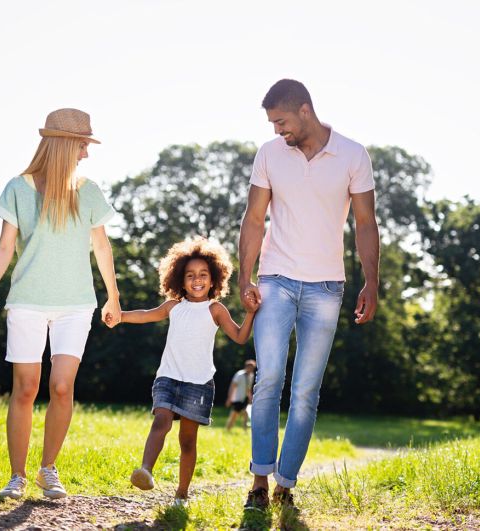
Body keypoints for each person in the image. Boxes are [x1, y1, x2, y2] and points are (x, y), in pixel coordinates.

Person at [238, 80, 380, 511]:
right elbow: (254, 216)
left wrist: (371, 281)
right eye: (272, 124)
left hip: (326, 287)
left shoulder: (353, 155)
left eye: (281, 121)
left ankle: (286, 482)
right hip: (275, 280)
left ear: (304, 110)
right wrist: (246, 277)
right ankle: (260, 481)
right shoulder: (269, 154)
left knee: (305, 390)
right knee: (269, 380)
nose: (277, 130)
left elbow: (365, 223)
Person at [0, 108, 122, 500]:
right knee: (25, 389)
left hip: (76, 304)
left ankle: (48, 469)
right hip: (27, 301)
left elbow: (101, 246)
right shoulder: (18, 189)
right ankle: (17, 476)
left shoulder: (88, 191)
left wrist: (113, 296)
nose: (86, 153)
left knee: (61, 387)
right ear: (64, 145)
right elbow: (5, 246)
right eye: (83, 145)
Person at [117, 237, 259, 505]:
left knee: (187, 441)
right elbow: (147, 314)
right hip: (168, 377)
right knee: (161, 421)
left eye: (203, 275)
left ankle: (182, 492)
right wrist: (120, 315)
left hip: (199, 384)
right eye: (190, 275)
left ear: (214, 279)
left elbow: (240, 337)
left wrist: (250, 313)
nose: (197, 280)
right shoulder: (173, 306)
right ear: (180, 280)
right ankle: (145, 470)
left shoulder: (215, 309)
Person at [226, 359, 256, 431]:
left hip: (244, 398)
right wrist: (229, 398)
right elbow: (232, 386)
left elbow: (248, 388)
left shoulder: (251, 376)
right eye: (250, 367)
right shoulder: (239, 375)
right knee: (234, 415)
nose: (251, 369)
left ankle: (245, 430)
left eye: (252, 368)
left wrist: (250, 397)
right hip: (237, 398)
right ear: (246, 367)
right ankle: (228, 429)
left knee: (245, 413)